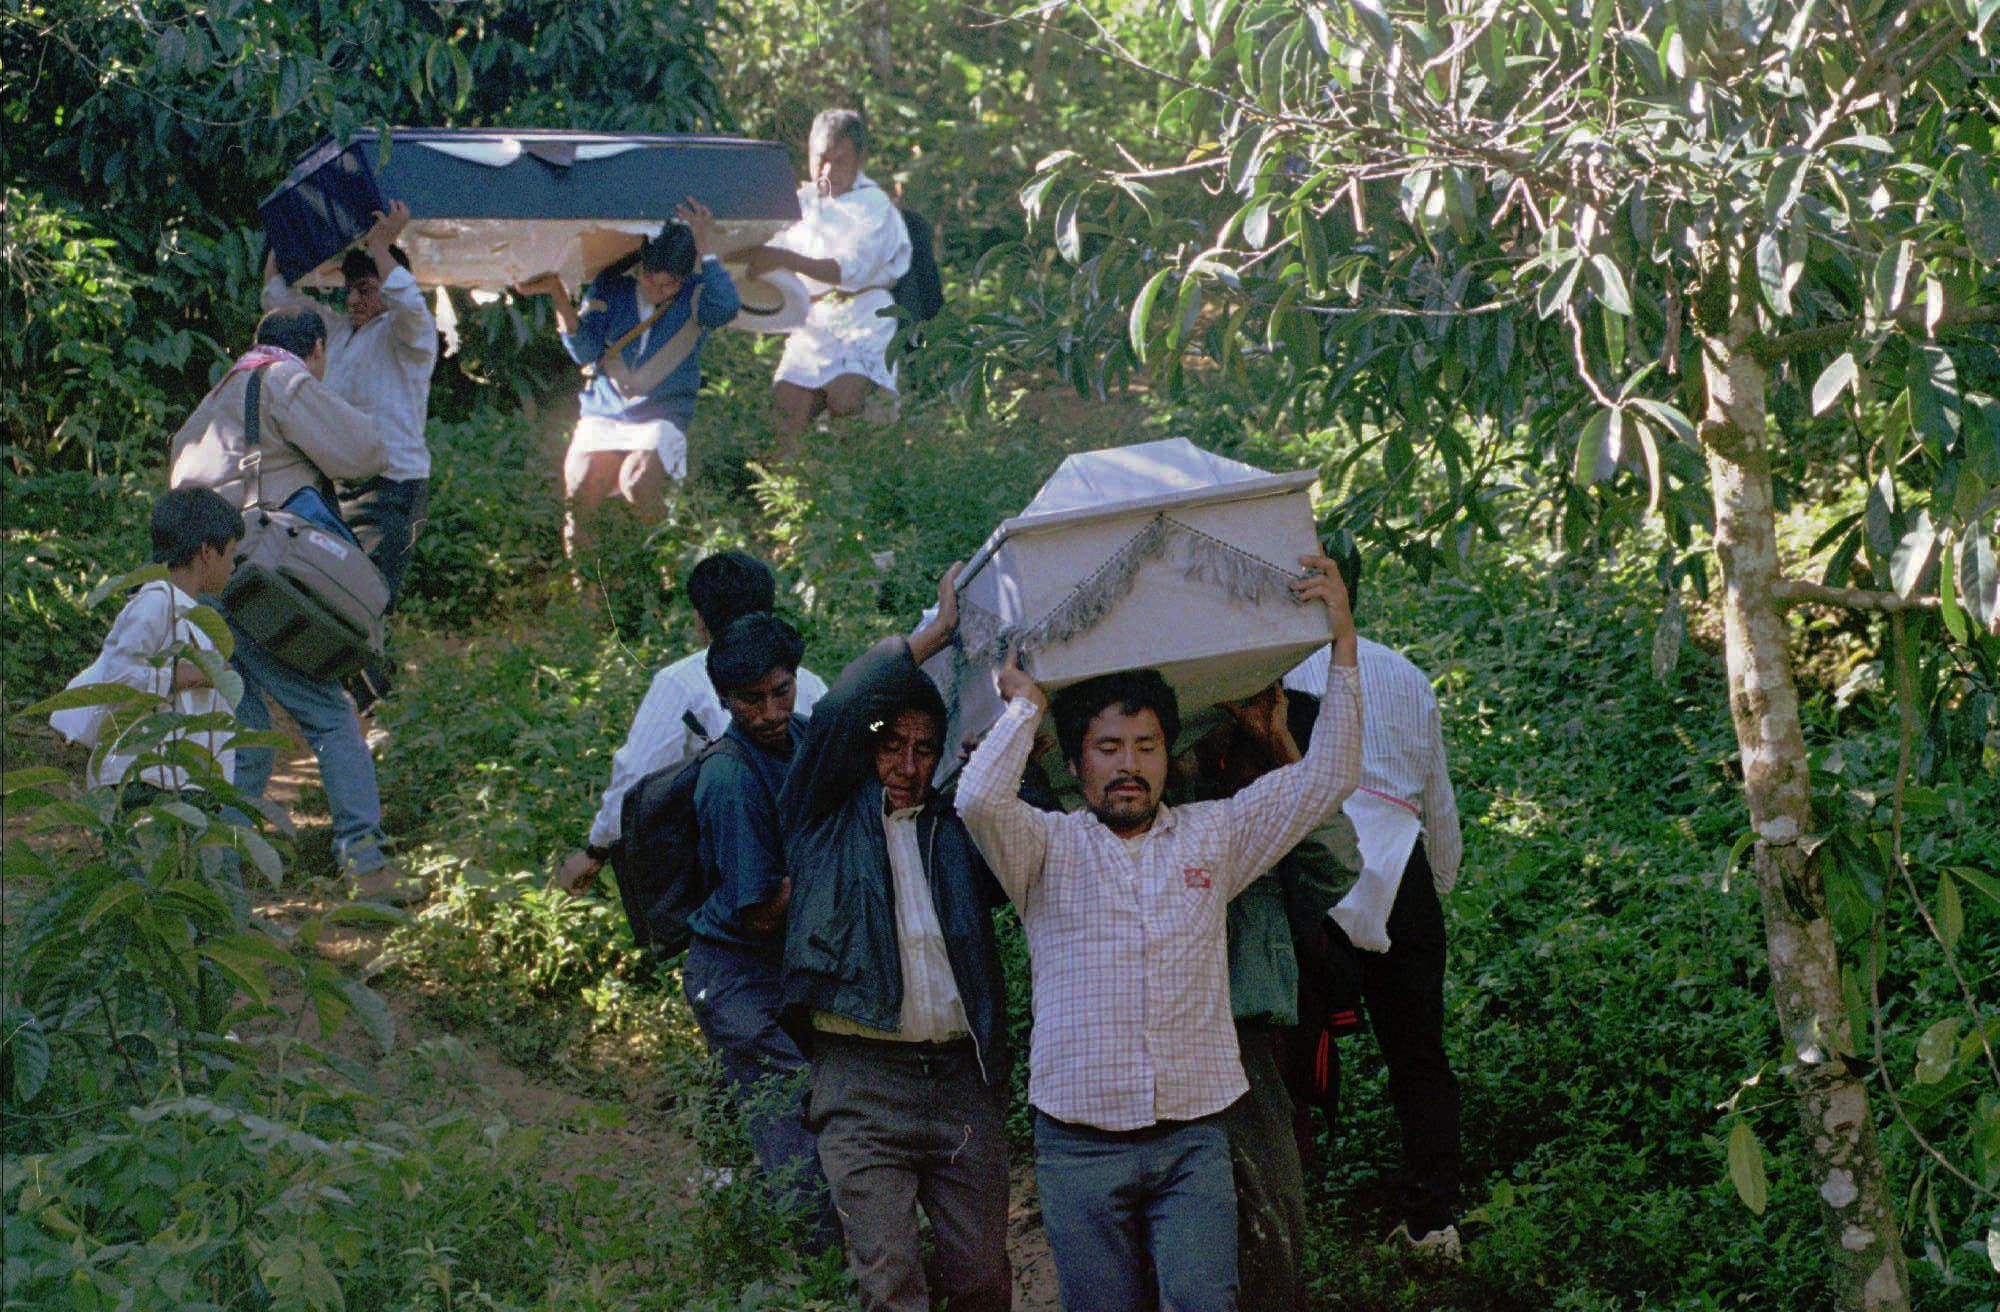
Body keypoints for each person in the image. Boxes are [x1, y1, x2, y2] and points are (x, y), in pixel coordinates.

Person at [955, 554, 1363, 1312]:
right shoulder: (1043, 848)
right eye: (1108, 750)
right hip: (1078, 1143)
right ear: (1077, 766)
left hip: (1193, 1137)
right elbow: (978, 802)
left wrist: (1340, 637)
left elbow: (1329, 775)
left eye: (1145, 748)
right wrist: (1025, 709)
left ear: (1167, 757)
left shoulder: (1215, 836)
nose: (1128, 767)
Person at [779, 565, 1012, 1312]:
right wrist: (935, 635)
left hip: (960, 1082)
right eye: (891, 747)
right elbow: (846, 704)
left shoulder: (959, 829)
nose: (907, 766)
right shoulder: (820, 816)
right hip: (860, 1083)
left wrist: (1003, 766)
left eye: (923, 748)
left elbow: (1032, 844)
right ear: (862, 751)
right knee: (890, 1280)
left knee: (980, 1277)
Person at [169, 307, 416, 902]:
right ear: (315, 349)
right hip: (262, 580)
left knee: (247, 729)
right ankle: (368, 864)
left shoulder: (210, 403)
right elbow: (364, 453)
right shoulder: (282, 379)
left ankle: (218, 882)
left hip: (209, 586)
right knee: (330, 715)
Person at [1282, 547, 1466, 1260]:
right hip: (1399, 866)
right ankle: (1433, 1224)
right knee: (1418, 1055)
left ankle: (1286, 1222)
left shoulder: (1268, 674)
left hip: (1318, 866)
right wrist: (1435, 887)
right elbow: (1436, 799)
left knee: (1286, 1050)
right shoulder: (1407, 675)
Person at [679, 612, 839, 1245]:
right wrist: (828, 863)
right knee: (790, 1127)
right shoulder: (731, 777)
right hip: (737, 976)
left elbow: (866, 731)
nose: (772, 711)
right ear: (724, 699)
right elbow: (762, 912)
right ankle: (818, 1272)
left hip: (783, 970)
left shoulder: (803, 736)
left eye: (782, 691)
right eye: (753, 700)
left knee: (812, 1110)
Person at [554, 552, 827, 895]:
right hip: (810, 870)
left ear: (700, 620)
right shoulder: (807, 681)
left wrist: (596, 850)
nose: (769, 711)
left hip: (728, 874)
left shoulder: (680, 682)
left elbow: (637, 779)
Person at [261, 199, 438, 712]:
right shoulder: (338, 334)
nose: (356, 299)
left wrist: (382, 247)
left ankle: (380, 709)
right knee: (333, 589)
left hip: (394, 487)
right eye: (351, 290)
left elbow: (408, 304)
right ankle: (352, 701)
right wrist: (283, 233)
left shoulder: (410, 337)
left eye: (367, 289)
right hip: (336, 486)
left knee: (369, 595)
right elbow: (280, 298)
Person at [1177, 686, 1314, 1312]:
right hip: (1166, 1039)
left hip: (1248, 1045)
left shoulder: (1266, 811)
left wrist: (1280, 743)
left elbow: (1338, 861)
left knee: (1271, 1216)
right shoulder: (1154, 807)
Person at [519, 200, 740, 555]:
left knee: (637, 483)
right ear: (641, 267)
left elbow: (727, 306)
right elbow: (586, 351)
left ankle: (674, 563)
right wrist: (558, 296)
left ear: (682, 280)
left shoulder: (697, 295)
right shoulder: (611, 284)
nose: (656, 290)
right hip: (605, 411)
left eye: (668, 286)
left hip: (661, 414)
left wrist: (704, 244)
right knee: (579, 496)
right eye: (650, 279)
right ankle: (585, 598)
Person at [744, 109, 911, 439]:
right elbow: (761, 247)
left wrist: (785, 258)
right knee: (786, 408)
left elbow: (847, 269)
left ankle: (858, 483)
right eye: (821, 159)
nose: (828, 170)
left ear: (861, 157)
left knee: (847, 404)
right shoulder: (800, 204)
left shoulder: (874, 206)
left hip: (865, 315)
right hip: (813, 319)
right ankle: (785, 487)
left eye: (840, 160)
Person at [76, 489, 244, 798]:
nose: (233, 566)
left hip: (176, 782)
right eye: (231, 553)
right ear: (207, 551)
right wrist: (190, 675)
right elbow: (118, 679)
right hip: (143, 782)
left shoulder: (190, 612)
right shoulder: (156, 601)